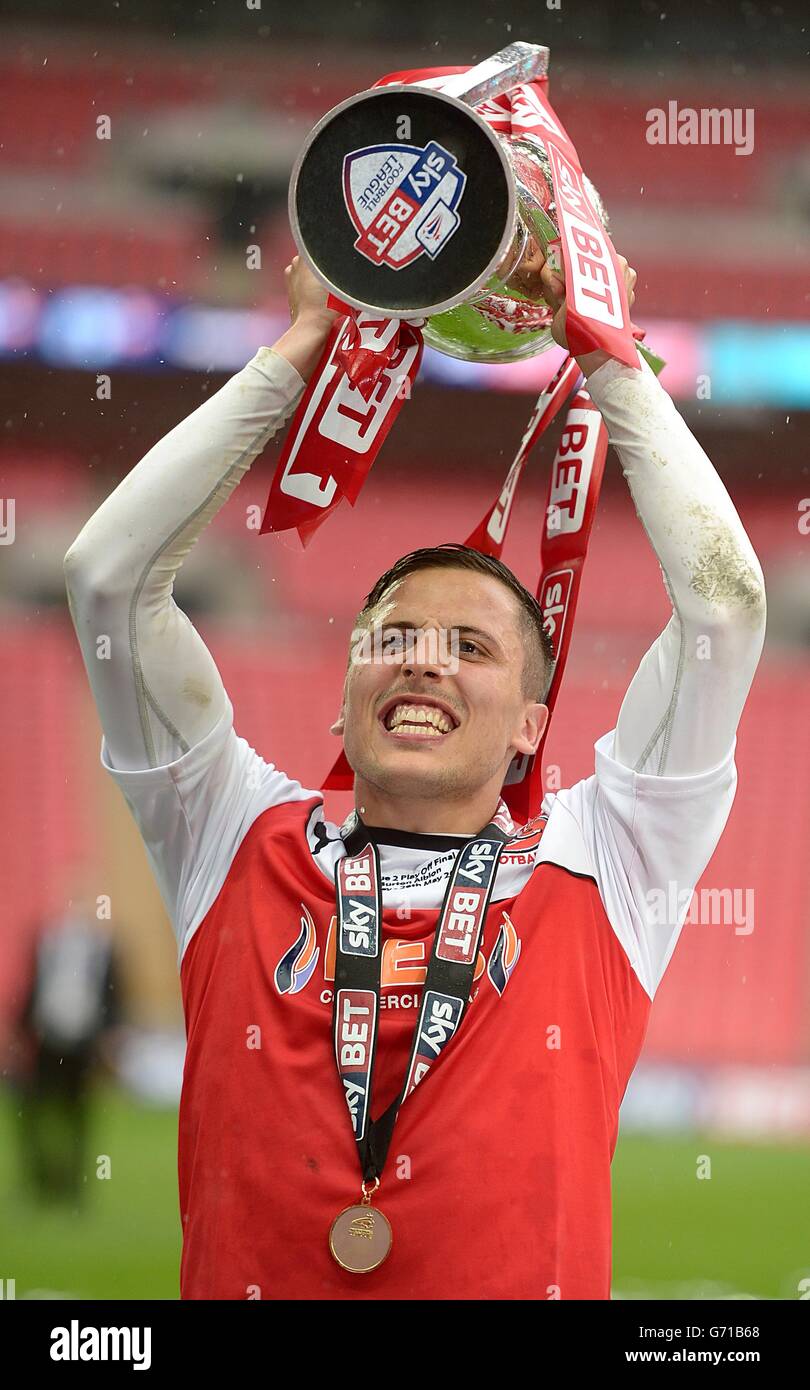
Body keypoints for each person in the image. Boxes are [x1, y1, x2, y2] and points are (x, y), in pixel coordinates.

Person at [63, 251, 766, 1299]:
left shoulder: (610, 854)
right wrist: (300, 351)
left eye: (472, 648)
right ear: (346, 695)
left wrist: (605, 351)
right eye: (391, 636)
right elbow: (107, 580)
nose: (425, 657)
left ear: (533, 727)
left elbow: (725, 607)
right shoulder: (229, 829)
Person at [13, 890, 121, 1205]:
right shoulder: (46, 941)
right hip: (47, 1040)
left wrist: (110, 1036)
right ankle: (41, 1181)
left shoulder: (103, 947)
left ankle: (75, 1185)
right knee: (33, 1111)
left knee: (79, 1116)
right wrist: (21, 1033)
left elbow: (114, 993)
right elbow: (33, 988)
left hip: (83, 1042)